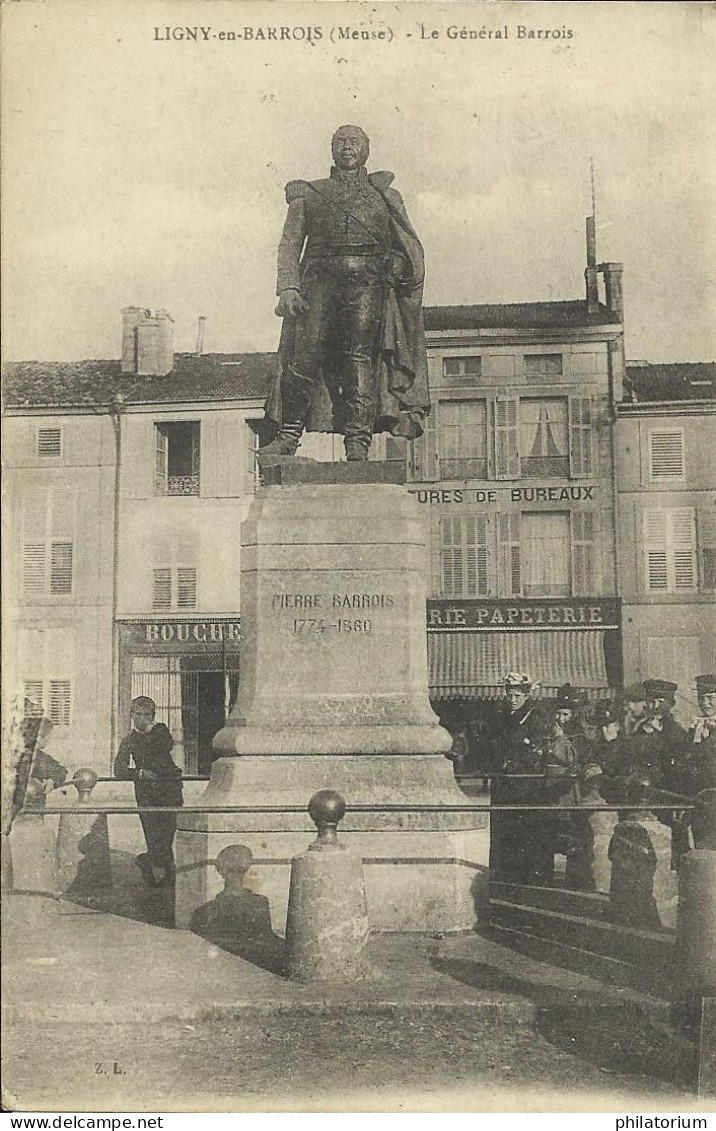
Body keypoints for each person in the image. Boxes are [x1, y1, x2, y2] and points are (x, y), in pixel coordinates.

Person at [262, 124, 431, 461]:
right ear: (331, 149)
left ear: (366, 149)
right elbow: (290, 244)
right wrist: (289, 287)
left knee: (359, 361)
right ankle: (288, 435)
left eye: (354, 142)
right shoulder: (309, 194)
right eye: (340, 142)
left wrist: (397, 263)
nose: (347, 147)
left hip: (367, 286)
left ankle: (358, 442)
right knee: (303, 358)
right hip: (317, 286)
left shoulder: (385, 196)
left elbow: (403, 245)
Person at [488, 672, 554, 886]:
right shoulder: (503, 718)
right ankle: (508, 875)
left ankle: (533, 877)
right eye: (510, 694)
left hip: (527, 785)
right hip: (505, 785)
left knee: (529, 831)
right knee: (506, 831)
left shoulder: (536, 717)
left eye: (517, 695)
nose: (512, 699)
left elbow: (539, 751)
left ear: (526, 696)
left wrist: (515, 764)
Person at [114, 696, 183, 887]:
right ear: (131, 715)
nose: (141, 719)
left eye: (146, 715)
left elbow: (164, 746)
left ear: (152, 716)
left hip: (170, 793)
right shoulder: (129, 741)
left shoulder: (160, 732)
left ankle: (153, 867)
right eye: (137, 714)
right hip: (146, 796)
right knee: (153, 838)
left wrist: (146, 734)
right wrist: (138, 772)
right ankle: (159, 875)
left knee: (166, 837)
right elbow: (118, 770)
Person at [678, 674, 716, 848]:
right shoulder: (695, 729)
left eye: (710, 698)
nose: (705, 703)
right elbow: (686, 766)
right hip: (701, 803)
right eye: (701, 698)